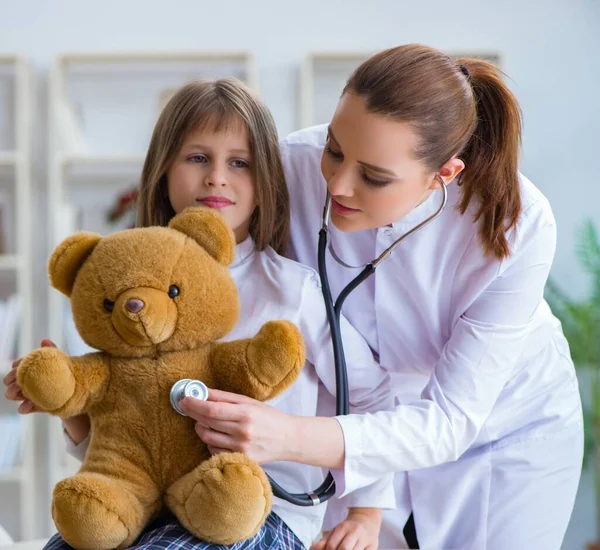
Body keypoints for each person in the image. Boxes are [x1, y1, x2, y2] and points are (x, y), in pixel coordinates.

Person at [181, 44, 584, 550]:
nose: (338, 184)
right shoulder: (293, 168)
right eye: (334, 150)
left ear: (445, 174)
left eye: (373, 177)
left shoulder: (517, 223)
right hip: (354, 431)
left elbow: (450, 420)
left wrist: (288, 437)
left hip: (499, 432)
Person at [3, 78, 395, 550]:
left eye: (239, 162)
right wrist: (67, 406)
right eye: (196, 158)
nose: (216, 177)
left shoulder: (292, 291)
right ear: (163, 170)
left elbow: (372, 397)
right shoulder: (128, 288)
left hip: (258, 511)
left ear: (265, 179)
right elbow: (119, 444)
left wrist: (367, 514)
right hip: (145, 504)